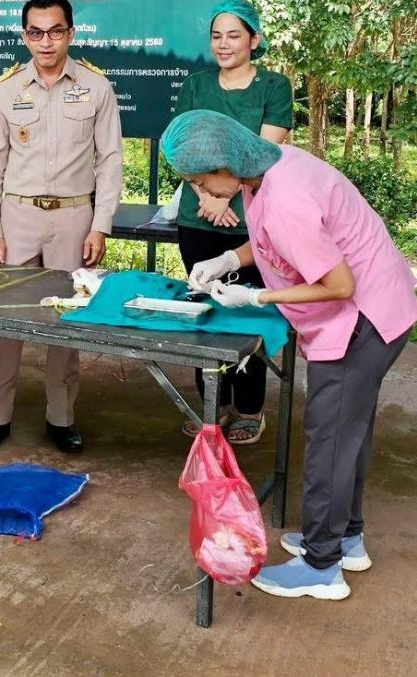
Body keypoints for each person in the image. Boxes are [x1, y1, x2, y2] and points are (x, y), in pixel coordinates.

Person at [161, 109, 417, 601]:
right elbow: (269, 241)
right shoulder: (271, 167)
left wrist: (257, 296)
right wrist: (229, 259)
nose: (199, 191)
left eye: (200, 181)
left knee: (330, 438)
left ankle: (322, 566)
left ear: (224, 165)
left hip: (363, 319)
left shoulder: (286, 199)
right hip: (382, 306)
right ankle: (346, 537)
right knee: (348, 432)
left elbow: (339, 285)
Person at [0, 0, 123, 455]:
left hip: (73, 217)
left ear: (70, 33)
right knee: (4, 319)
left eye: (55, 31)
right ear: (25, 36)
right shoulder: (7, 89)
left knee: (66, 320)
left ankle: (61, 417)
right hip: (17, 217)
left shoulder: (96, 87)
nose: (46, 42)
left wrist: (100, 225)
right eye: (36, 33)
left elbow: (110, 161)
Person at [174, 0, 292, 445]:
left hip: (252, 222)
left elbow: (263, 155)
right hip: (198, 216)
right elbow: (180, 149)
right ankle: (212, 405)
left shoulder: (274, 87)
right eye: (217, 36)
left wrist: (225, 197)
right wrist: (206, 195)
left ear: (254, 40)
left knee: (247, 312)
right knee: (204, 309)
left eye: (234, 35)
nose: (224, 44)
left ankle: (249, 408)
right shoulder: (196, 85)